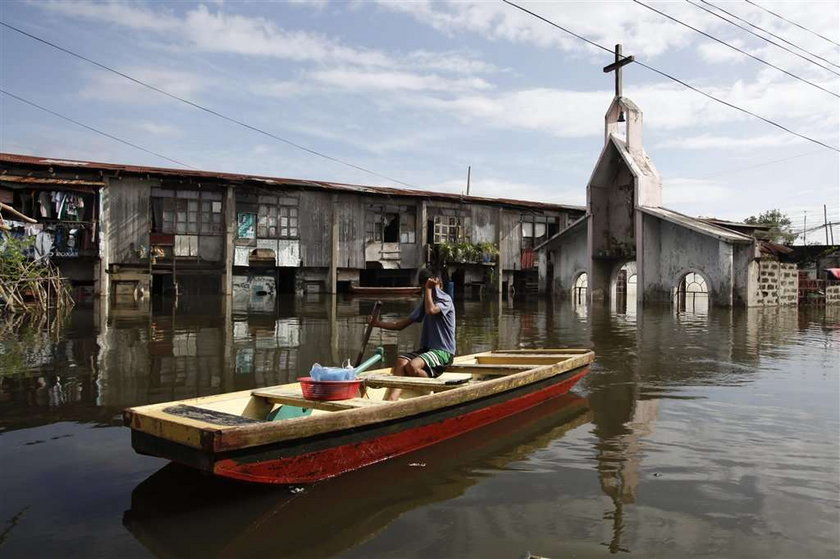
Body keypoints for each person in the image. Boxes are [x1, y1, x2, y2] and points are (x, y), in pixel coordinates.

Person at [369, 268, 456, 401]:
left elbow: (431, 310)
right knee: (401, 361)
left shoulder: (446, 299)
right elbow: (400, 325)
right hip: (428, 350)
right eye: (425, 287)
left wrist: (428, 289)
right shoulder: (425, 303)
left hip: (443, 352)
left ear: (439, 284)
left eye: (432, 286)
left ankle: (433, 388)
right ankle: (392, 399)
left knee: (412, 366)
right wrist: (377, 323)